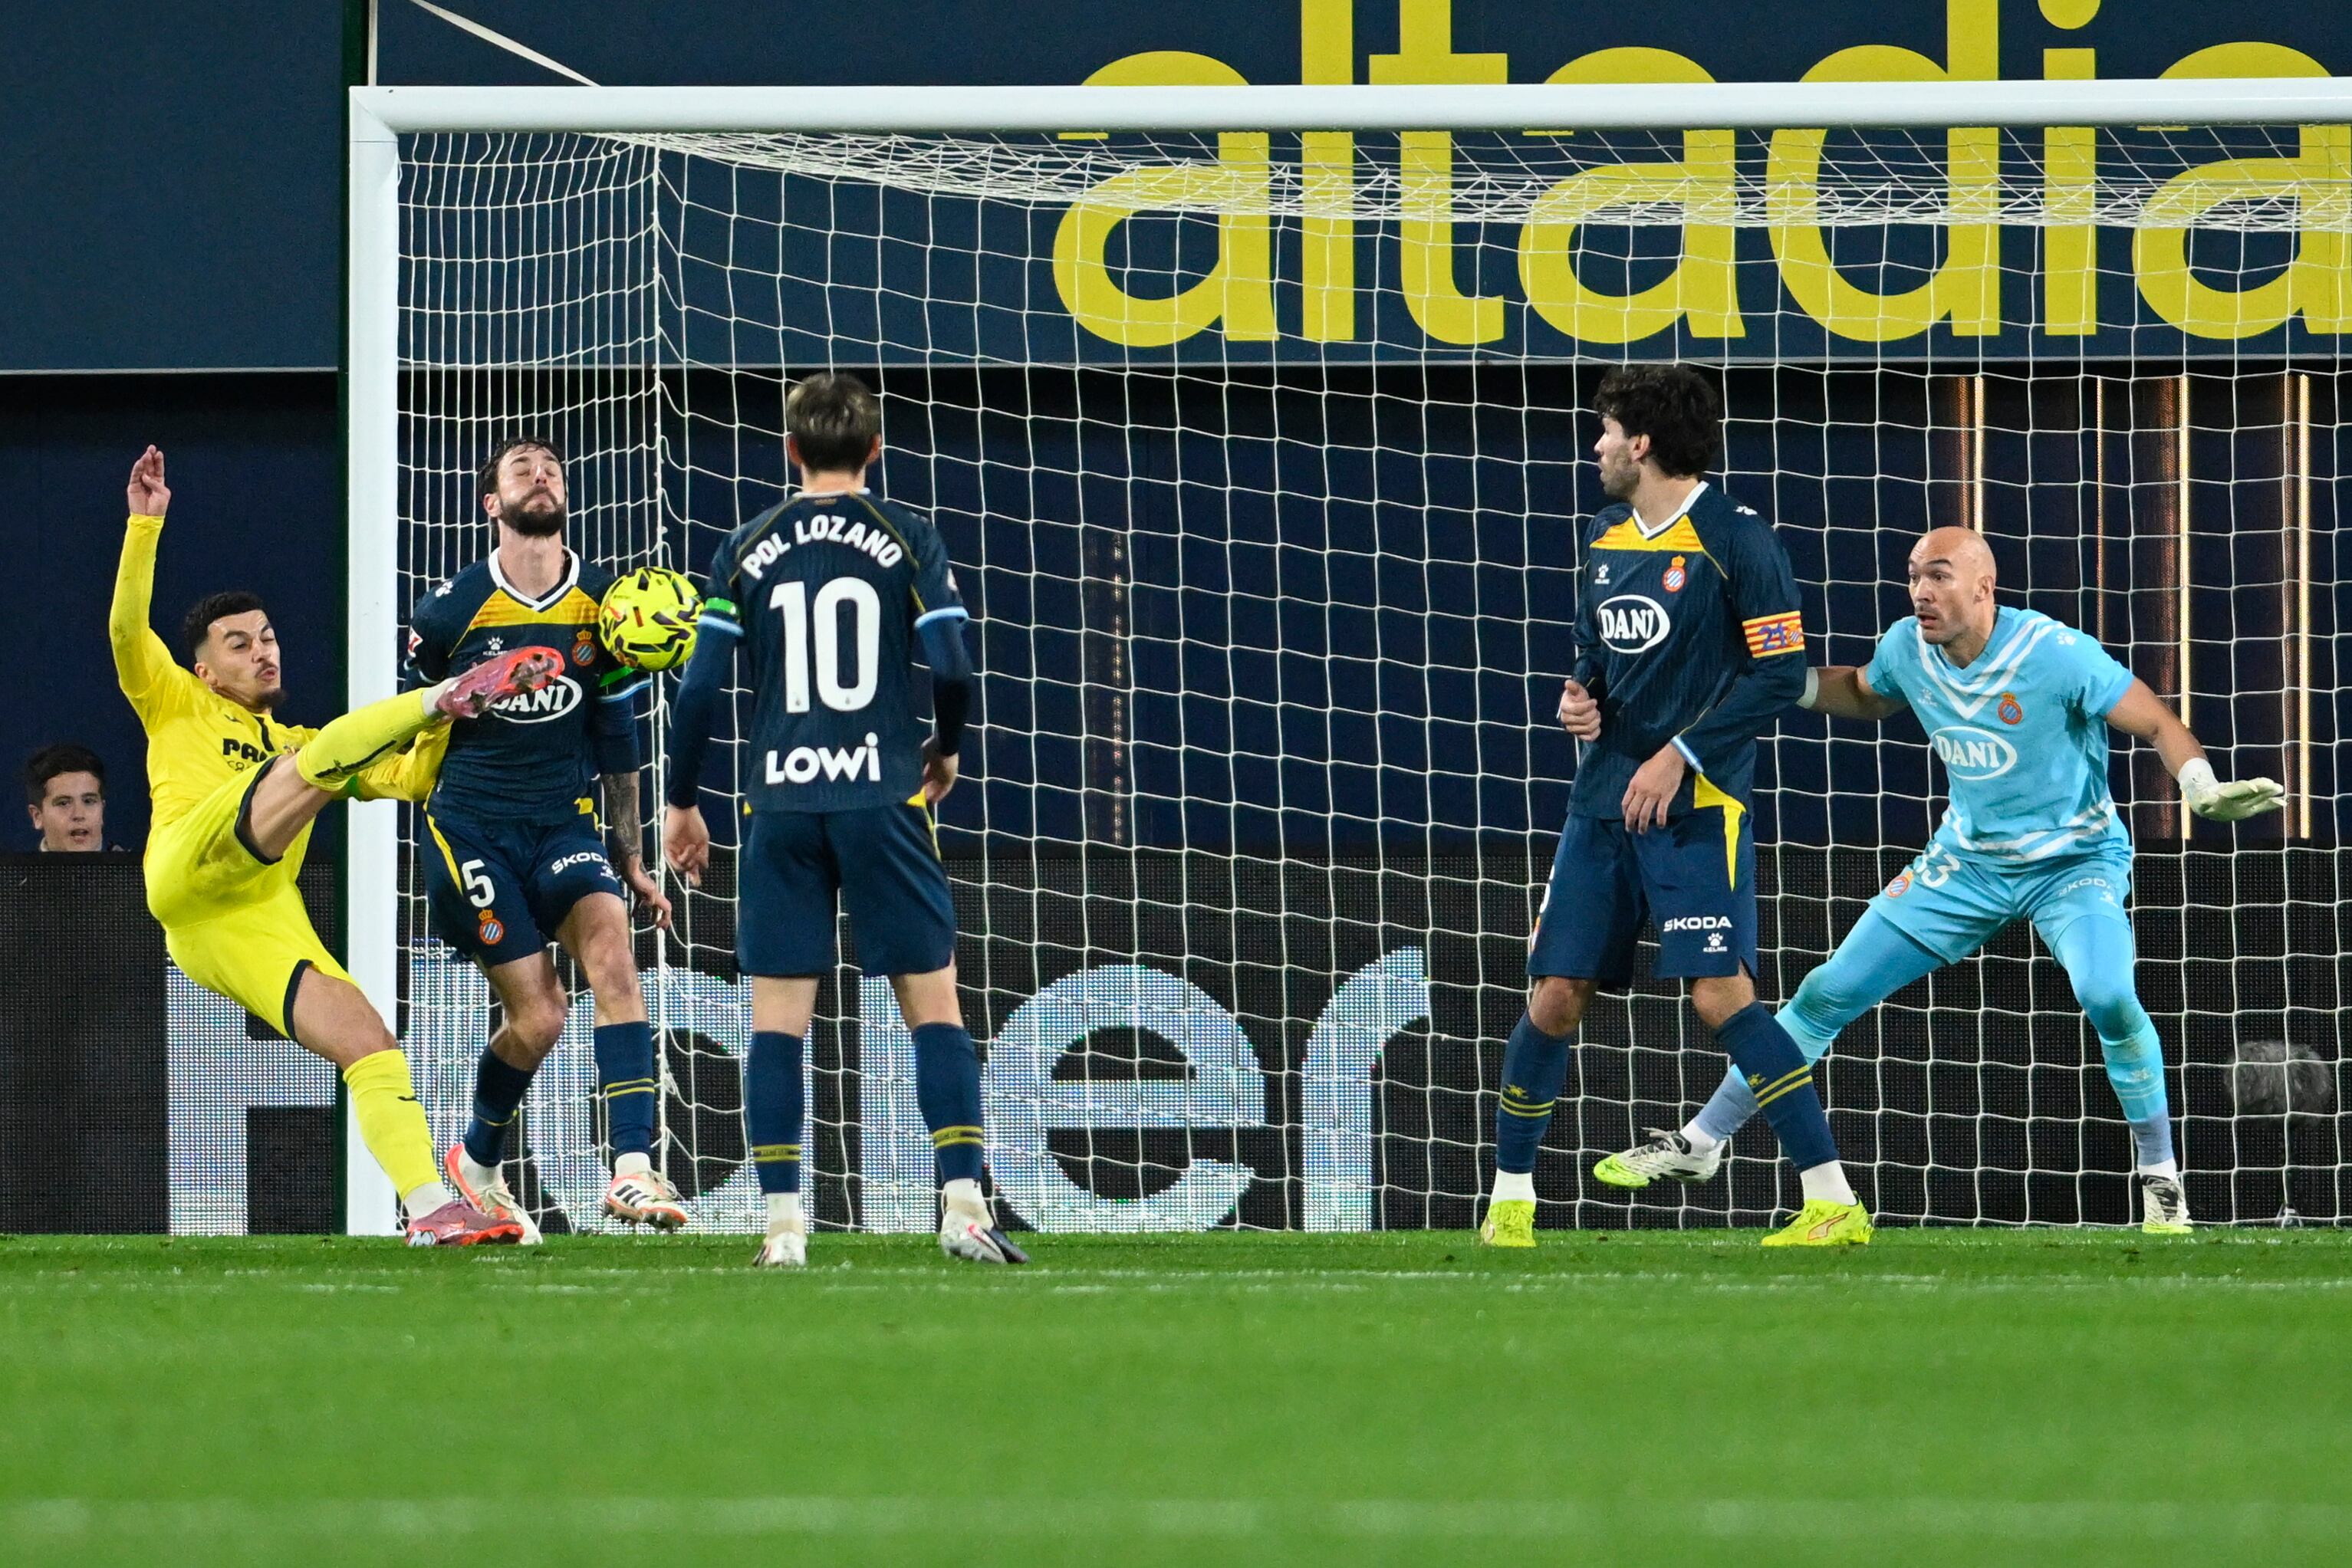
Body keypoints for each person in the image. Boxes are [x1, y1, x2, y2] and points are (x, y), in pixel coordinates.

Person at [1593, 525, 2283, 1234]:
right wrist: (1780, 683)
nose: (1921, 590)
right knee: (1825, 990)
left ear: (1984, 587)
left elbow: (2156, 721)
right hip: (1965, 865)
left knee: (2107, 992)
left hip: (2072, 866)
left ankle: (2159, 1175)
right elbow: (1865, 692)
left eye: (1940, 575)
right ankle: (1701, 1142)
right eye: (1914, 575)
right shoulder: (1906, 646)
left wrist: (2200, 786)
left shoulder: (2052, 652)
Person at [113, 445, 551, 1245]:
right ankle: (440, 692)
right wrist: (146, 525)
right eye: (239, 644)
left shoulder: (304, 739)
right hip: (186, 863)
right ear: (204, 669)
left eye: (268, 636)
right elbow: (123, 629)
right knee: (311, 763)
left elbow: (406, 778)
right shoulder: (173, 698)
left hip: (239, 919)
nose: (263, 650)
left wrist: (457, 728)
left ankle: (430, 1207)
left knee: (369, 1040)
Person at [1478, 365, 1870, 1250]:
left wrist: (1677, 755)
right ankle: (1510, 1200)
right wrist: (1578, 699)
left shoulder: (1738, 539)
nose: (1598, 445)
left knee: (1719, 995)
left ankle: (1831, 1197)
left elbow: (1780, 673)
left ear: (1643, 441)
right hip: (1601, 803)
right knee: (1554, 995)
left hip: (1699, 805)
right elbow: (1594, 655)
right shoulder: (1604, 533)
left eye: (1607, 429)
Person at [663, 371, 1023, 1268]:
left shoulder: (746, 545)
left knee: (777, 1019)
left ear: (789, 449)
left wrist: (679, 799)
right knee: (931, 1002)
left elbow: (699, 688)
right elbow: (951, 664)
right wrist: (944, 747)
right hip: (880, 792)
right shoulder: (907, 536)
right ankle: (964, 1202)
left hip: (779, 798)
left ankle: (784, 1221)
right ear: (874, 449)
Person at [410, 436, 683, 1243]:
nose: (541, 475)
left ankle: (632, 1169)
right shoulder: (450, 611)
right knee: (540, 1017)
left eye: (553, 468)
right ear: (490, 503)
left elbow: (616, 732)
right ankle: (476, 1162)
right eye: (521, 469)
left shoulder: (605, 606)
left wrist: (630, 853)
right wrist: (455, 699)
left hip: (566, 822)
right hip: (473, 829)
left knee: (614, 959)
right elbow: (406, 723)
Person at [24, 745, 117, 852]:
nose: (79, 815)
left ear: (102, 810)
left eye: (88, 801)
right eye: (64, 803)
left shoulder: (133, 867)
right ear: (37, 816)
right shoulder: (17, 868)